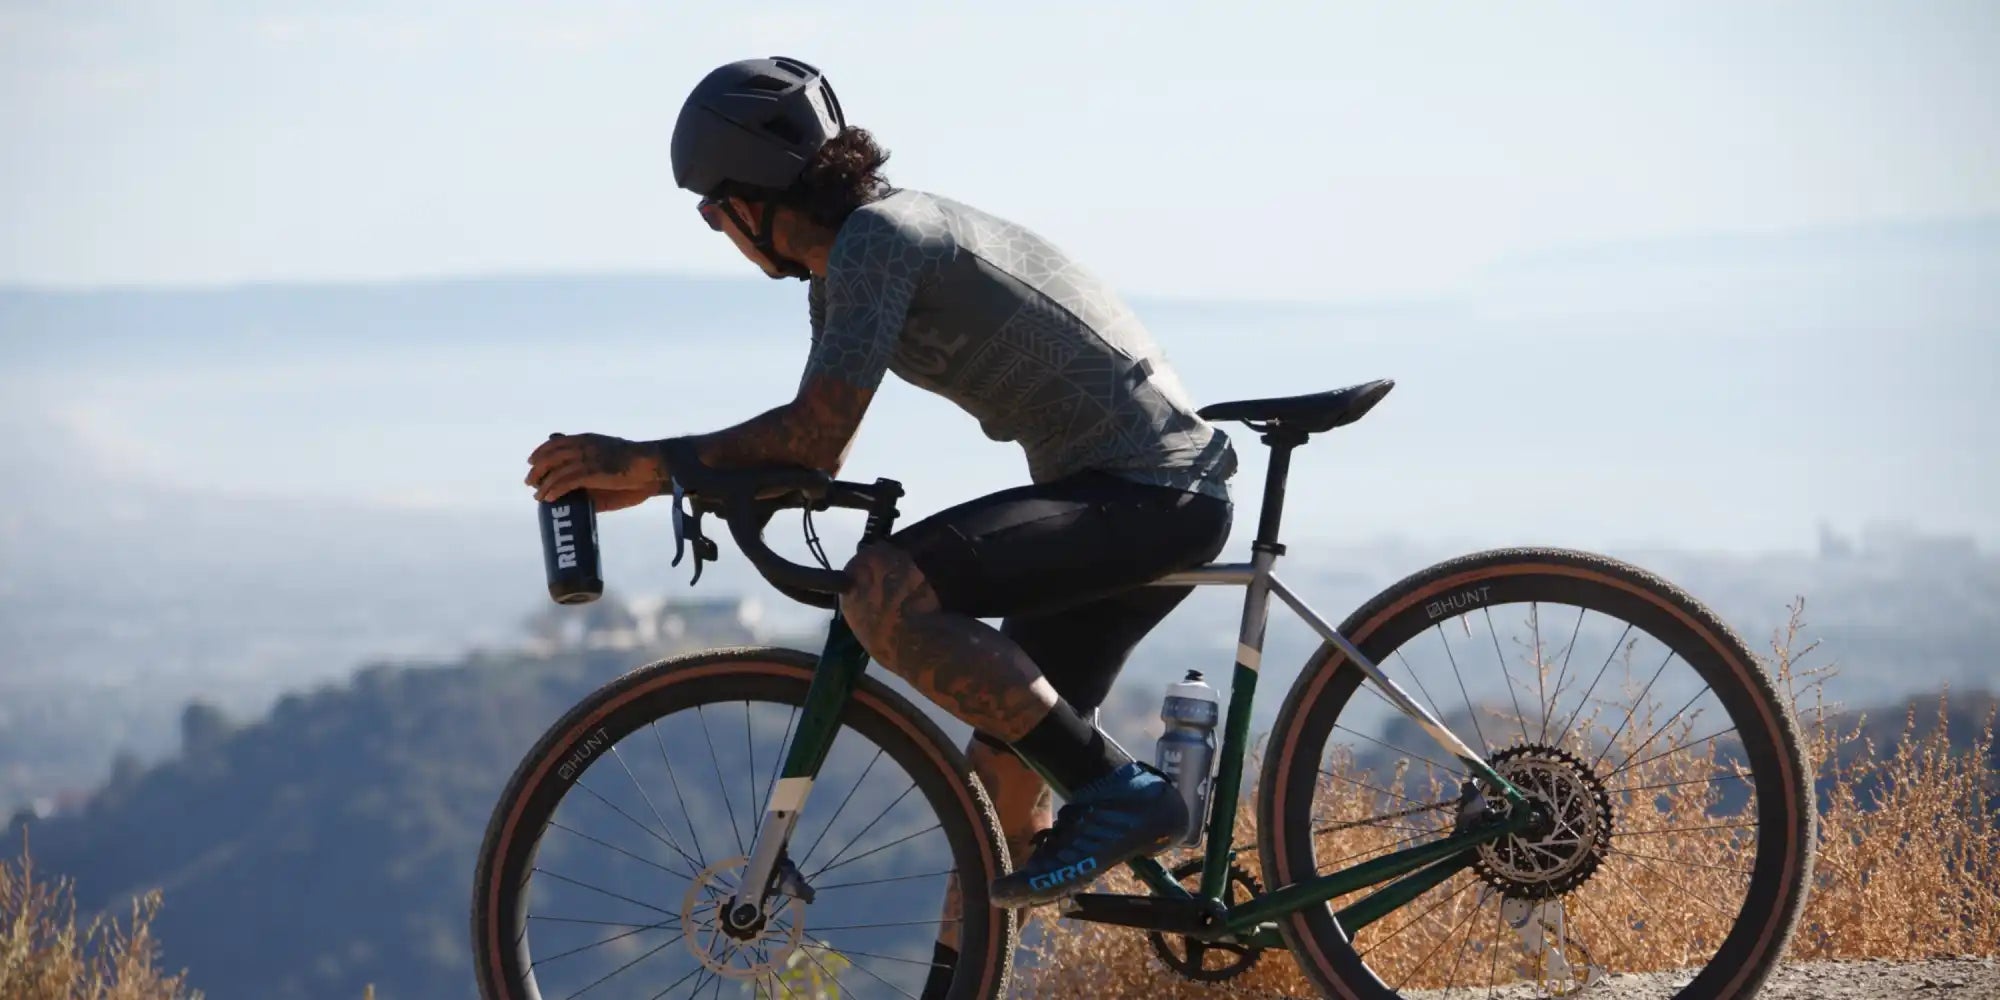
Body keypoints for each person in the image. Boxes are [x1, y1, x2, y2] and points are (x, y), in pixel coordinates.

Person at [522, 57, 1238, 916]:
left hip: (1149, 492)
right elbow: (810, 455)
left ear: (752, 200)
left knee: (887, 593)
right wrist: (669, 480)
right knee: (998, 797)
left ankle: (1127, 794)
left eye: (713, 212)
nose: (719, 231)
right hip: (1127, 494)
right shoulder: (850, 263)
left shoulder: (879, 239)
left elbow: (811, 437)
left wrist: (644, 462)